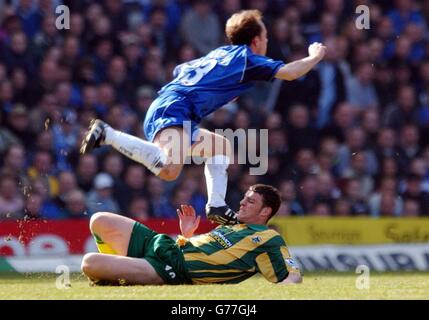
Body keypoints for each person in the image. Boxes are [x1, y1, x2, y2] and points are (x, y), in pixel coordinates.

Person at [80, 10, 326, 225]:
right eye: (266, 37)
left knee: (220, 147)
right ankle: (108, 134)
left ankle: (217, 205)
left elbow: (180, 69)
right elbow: (291, 73)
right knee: (169, 169)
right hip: (176, 108)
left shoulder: (220, 53)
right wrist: (314, 56)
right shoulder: (247, 59)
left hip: (177, 108)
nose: (267, 42)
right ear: (256, 40)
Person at [81, 184, 302, 285]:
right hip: (166, 245)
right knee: (99, 220)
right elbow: (206, 251)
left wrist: (287, 284)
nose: (242, 202)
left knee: (89, 263)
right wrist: (185, 235)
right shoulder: (232, 225)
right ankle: (126, 270)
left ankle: (122, 274)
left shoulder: (268, 238)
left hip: (172, 270)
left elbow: (292, 275)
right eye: (244, 197)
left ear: (265, 212)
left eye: (250, 201)